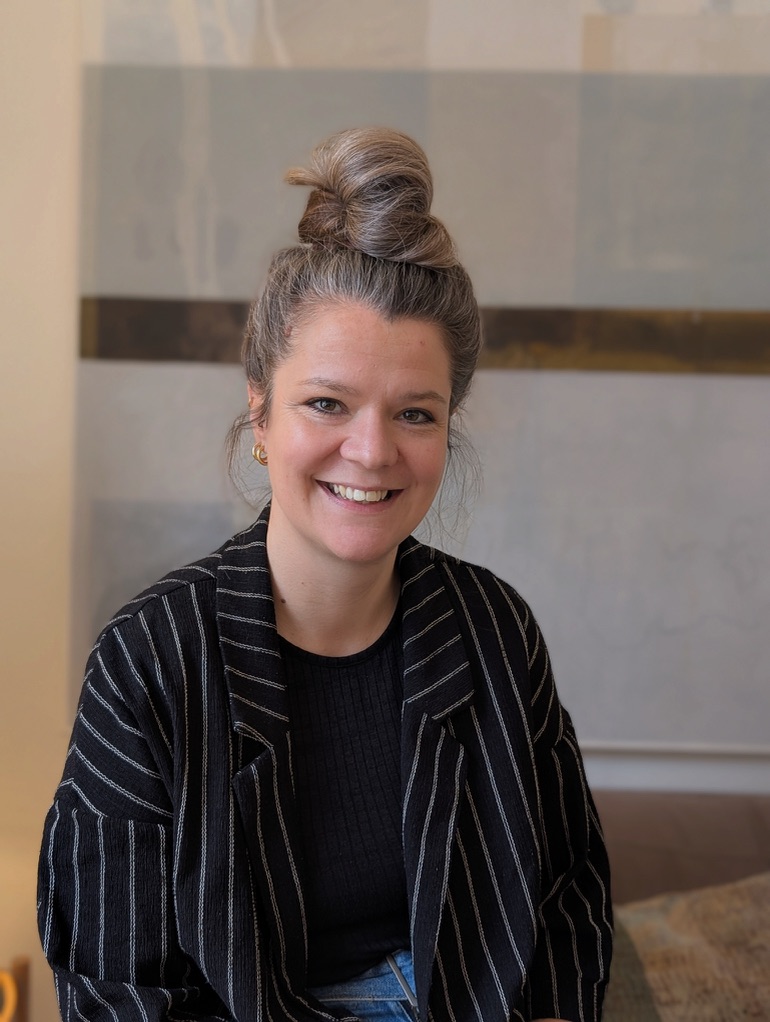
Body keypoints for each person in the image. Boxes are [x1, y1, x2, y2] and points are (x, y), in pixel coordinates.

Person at [38, 128, 612, 1022]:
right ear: (260, 413)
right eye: (327, 403)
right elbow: (119, 993)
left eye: (414, 413)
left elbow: (569, 900)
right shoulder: (147, 663)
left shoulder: (496, 631)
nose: (372, 451)